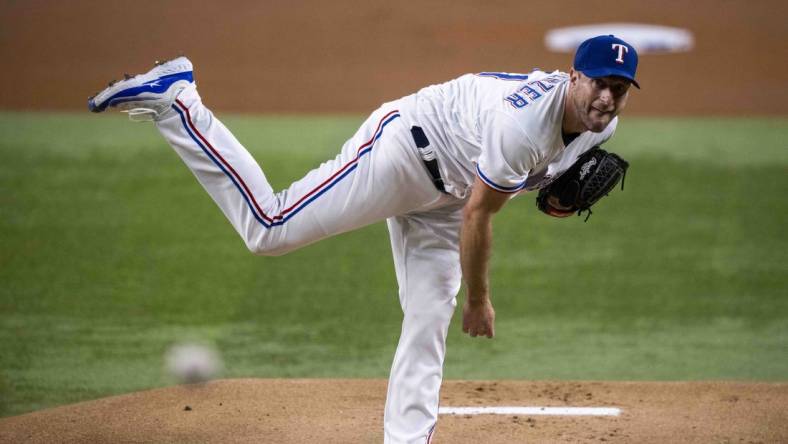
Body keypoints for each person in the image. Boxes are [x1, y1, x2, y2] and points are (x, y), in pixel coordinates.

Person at [89, 34, 638, 444]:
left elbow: (531, 187)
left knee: (427, 315)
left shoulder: (601, 126)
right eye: (598, 84)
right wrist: (478, 300)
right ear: (573, 77)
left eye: (618, 89)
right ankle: (180, 102)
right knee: (269, 229)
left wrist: (559, 197)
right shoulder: (523, 127)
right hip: (403, 153)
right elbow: (479, 215)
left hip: (448, 196)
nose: (607, 99)